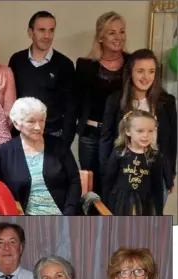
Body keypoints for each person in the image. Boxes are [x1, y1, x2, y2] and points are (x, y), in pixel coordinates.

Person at [0, 97, 81, 215]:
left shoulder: (59, 145)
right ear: (16, 124)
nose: (38, 127)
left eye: (41, 120)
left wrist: (68, 214)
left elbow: (75, 181)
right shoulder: (6, 151)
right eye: (31, 121)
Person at [100, 49, 177, 205]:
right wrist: (106, 172)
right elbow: (106, 139)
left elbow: (171, 142)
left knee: (152, 224)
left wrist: (170, 175)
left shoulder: (166, 101)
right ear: (130, 73)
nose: (146, 77)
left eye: (151, 71)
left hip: (156, 174)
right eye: (140, 71)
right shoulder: (116, 100)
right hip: (124, 174)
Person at [73, 12, 128, 195]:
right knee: (90, 189)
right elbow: (75, 102)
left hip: (120, 135)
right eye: (112, 32)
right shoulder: (85, 65)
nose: (118, 37)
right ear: (101, 37)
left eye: (121, 31)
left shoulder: (131, 63)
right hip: (90, 136)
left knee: (116, 187)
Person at [8, 11, 75, 146]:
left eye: (51, 30)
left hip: (52, 136)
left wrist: (65, 141)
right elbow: (10, 100)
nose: (47, 36)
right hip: (21, 136)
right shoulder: (17, 60)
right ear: (30, 32)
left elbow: (71, 108)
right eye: (41, 30)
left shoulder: (65, 64)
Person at [102, 110, 164, 215]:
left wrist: (159, 212)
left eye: (150, 131)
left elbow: (157, 186)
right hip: (120, 203)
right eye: (140, 131)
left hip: (145, 204)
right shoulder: (119, 153)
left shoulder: (154, 156)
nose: (146, 135)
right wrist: (104, 205)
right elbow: (108, 180)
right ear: (127, 131)